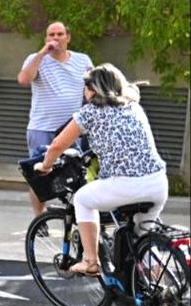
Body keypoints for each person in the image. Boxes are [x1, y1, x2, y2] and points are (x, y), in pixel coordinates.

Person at [34, 63, 168, 275]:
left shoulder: (89, 113)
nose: (83, 91)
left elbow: (58, 145)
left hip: (125, 185)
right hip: (157, 183)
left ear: (93, 90)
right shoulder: (133, 105)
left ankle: (90, 261)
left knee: (82, 199)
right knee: (144, 237)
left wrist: (45, 165)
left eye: (85, 87)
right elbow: (132, 92)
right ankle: (162, 294)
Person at [17, 21, 92, 215]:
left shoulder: (82, 60)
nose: (55, 38)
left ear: (68, 37)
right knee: (38, 175)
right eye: (51, 35)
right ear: (46, 38)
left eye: (59, 34)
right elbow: (24, 79)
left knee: (76, 173)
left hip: (71, 128)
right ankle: (39, 216)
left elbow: (93, 87)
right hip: (41, 128)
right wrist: (42, 54)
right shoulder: (36, 58)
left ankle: (76, 214)